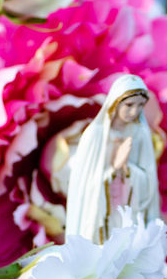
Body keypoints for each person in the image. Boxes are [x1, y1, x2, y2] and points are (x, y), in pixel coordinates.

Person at [63, 74, 160, 243]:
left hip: (129, 208)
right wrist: (114, 168)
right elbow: (85, 186)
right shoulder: (96, 134)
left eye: (140, 105)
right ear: (116, 103)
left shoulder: (140, 134)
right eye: (129, 105)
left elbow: (149, 181)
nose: (134, 111)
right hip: (99, 214)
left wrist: (126, 169)